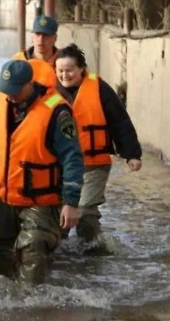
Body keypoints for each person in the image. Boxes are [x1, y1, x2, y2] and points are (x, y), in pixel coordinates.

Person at [0, 60, 83, 283]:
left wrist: (71, 202)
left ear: (30, 84)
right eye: (6, 90)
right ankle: (5, 296)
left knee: (33, 245)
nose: (10, 96)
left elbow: (72, 158)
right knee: (0, 249)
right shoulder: (1, 99)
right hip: (2, 194)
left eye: (15, 91)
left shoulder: (57, 111)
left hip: (39, 197)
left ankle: (31, 302)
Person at [54, 43, 142, 251]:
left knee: (84, 211)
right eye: (60, 71)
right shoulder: (49, 92)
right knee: (59, 214)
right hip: (62, 166)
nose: (65, 75)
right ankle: (59, 253)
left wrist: (131, 154)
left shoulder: (100, 89)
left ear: (82, 68)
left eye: (70, 70)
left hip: (94, 164)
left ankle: (95, 251)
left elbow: (119, 122)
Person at [13, 14, 59, 87]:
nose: (41, 39)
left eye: (46, 35)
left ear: (55, 38)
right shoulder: (18, 60)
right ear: (32, 36)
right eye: (37, 34)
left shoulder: (64, 63)